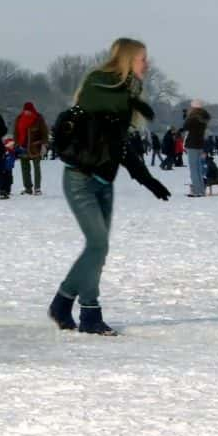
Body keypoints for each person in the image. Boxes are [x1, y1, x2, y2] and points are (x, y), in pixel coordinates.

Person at [49, 37, 171, 336]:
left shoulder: (127, 92)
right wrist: (131, 102)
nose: (148, 63)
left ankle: (64, 303)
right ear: (129, 59)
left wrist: (148, 179)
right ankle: (88, 313)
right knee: (98, 244)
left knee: (98, 250)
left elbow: (121, 145)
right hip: (80, 178)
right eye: (143, 58)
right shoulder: (99, 83)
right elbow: (98, 105)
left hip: (104, 180)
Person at [13, 102, 48, 196]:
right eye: (26, 110)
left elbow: (44, 131)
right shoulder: (19, 118)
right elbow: (16, 132)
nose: (27, 112)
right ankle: (28, 188)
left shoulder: (38, 118)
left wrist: (44, 144)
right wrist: (16, 144)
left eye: (29, 110)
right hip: (22, 147)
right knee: (25, 169)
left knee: (37, 168)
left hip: (35, 147)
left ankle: (37, 188)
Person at [183, 99, 211, 197]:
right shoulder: (204, 117)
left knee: (193, 168)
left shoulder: (193, 117)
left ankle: (196, 190)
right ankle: (201, 190)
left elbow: (185, 127)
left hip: (192, 144)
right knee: (199, 168)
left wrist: (187, 117)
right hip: (200, 144)